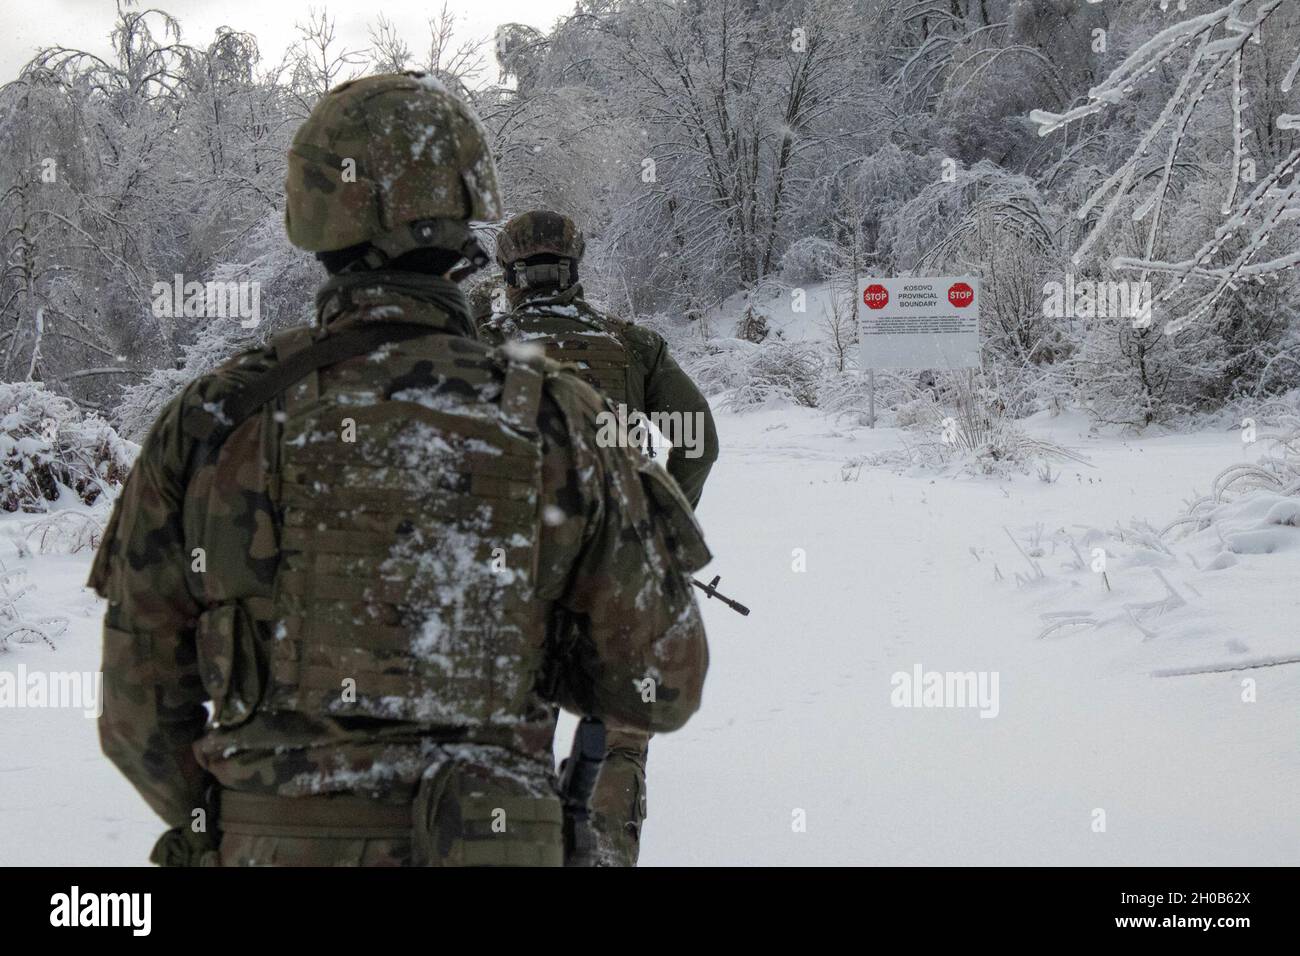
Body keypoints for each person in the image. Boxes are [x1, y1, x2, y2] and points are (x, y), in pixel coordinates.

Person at [89, 73, 710, 867]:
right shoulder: (562, 417)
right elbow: (664, 678)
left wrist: (243, 822)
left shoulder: (213, 417)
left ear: (311, 216)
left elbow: (135, 711)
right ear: (465, 213)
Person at [480, 209, 719, 865]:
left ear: (510, 274)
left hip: (511, 572)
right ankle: (607, 834)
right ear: (575, 267)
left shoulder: (476, 342)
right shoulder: (631, 345)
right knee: (620, 730)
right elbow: (699, 441)